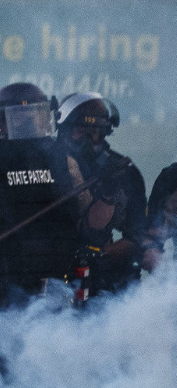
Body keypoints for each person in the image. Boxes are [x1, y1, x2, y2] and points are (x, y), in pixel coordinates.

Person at [0, 82, 138, 305]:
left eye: (34, 115)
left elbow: (91, 227)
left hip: (61, 291)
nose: (27, 123)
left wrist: (108, 193)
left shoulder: (64, 162)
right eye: (18, 117)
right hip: (1, 293)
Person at [52, 92, 149, 291]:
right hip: (51, 275)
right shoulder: (42, 166)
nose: (90, 138)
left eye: (96, 130)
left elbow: (137, 236)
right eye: (81, 129)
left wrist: (100, 255)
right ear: (63, 129)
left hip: (104, 281)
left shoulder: (124, 173)